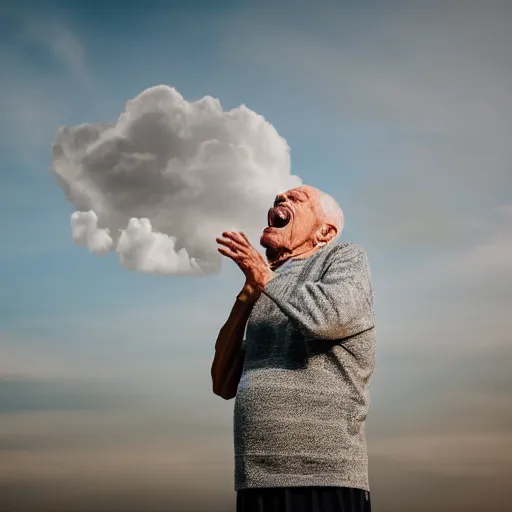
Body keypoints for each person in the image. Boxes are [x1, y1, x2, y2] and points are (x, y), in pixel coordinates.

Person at [211, 185, 375, 512]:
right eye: (277, 200)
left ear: (324, 232)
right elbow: (223, 381)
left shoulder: (343, 257)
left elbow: (328, 318)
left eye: (295, 199)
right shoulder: (267, 286)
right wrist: (248, 294)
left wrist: (264, 278)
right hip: (256, 480)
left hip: (327, 476)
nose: (280, 202)